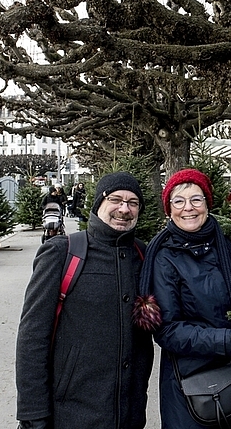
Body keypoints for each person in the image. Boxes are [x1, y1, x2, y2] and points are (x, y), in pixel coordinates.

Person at [16, 172, 153, 429]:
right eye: (116, 199)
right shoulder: (62, 252)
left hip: (130, 414)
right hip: (71, 414)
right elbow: (32, 338)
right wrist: (33, 414)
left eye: (133, 202)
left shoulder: (143, 255)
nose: (124, 209)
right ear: (98, 203)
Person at [134, 169, 231, 429]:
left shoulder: (228, 245)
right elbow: (168, 331)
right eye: (178, 201)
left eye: (196, 200)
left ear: (207, 204)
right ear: (169, 209)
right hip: (192, 385)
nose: (188, 208)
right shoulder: (164, 257)